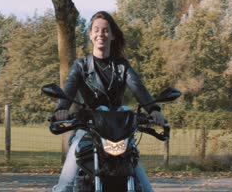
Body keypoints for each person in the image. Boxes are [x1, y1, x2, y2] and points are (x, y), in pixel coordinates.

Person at [52, 11, 167, 192]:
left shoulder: (122, 66)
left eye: (106, 30)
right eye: (96, 30)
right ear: (90, 34)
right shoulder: (80, 66)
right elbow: (68, 91)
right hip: (88, 128)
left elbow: (139, 89)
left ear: (112, 35)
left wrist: (153, 110)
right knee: (65, 183)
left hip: (118, 132)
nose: (101, 34)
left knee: (146, 187)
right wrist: (61, 109)